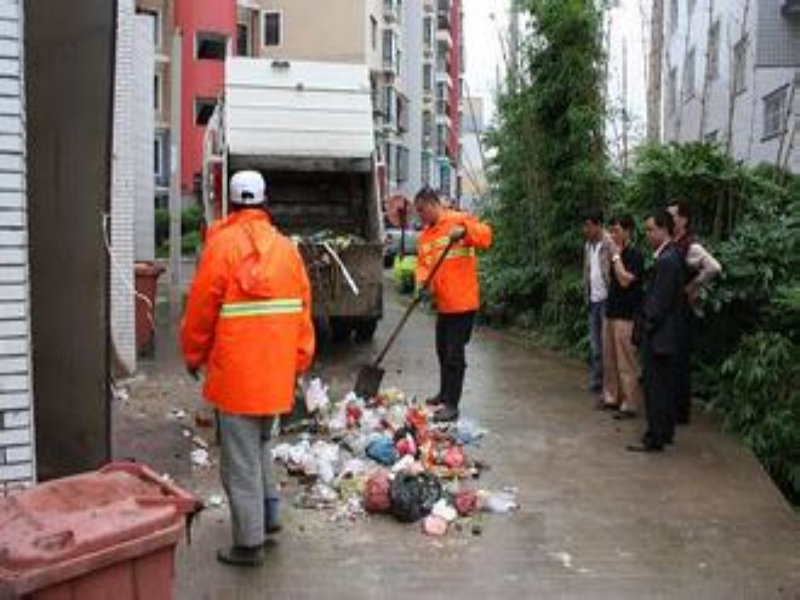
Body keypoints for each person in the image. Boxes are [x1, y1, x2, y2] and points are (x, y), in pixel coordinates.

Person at [181, 170, 315, 566]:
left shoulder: (220, 247)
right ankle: (269, 515)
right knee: (260, 446)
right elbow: (303, 313)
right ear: (264, 200)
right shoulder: (287, 250)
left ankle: (248, 543)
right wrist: (298, 364)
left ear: (231, 201)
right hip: (276, 377)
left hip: (237, 378)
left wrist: (193, 355)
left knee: (240, 460)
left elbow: (200, 313)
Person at [415, 187, 492, 423]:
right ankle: (444, 393)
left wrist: (466, 231)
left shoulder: (457, 220)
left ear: (432, 205)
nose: (419, 216)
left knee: (454, 355)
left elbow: (486, 236)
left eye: (420, 211)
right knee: (442, 350)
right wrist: (421, 284)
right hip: (444, 304)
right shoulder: (425, 236)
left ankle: (452, 405)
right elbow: (424, 265)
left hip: (463, 302)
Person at [628, 210, 686, 453]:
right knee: (662, 386)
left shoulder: (667, 260)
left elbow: (657, 304)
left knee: (655, 388)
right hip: (667, 335)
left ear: (665, 229)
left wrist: (644, 330)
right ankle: (663, 433)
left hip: (660, 336)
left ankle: (654, 437)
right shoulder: (671, 256)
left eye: (651, 229)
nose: (648, 234)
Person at [667, 201, 722, 424]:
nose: (668, 219)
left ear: (683, 220)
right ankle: (673, 406)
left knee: (680, 360)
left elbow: (715, 268)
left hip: (682, 311)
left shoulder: (692, 247)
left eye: (672, 215)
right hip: (670, 309)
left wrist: (693, 287)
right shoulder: (672, 243)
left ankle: (681, 412)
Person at [602, 215, 645, 419]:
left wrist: (617, 257)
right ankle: (612, 398)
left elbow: (625, 281)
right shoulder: (614, 253)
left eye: (617, 230)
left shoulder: (635, 254)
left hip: (627, 315)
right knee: (609, 358)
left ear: (628, 231)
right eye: (611, 231)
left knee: (626, 361)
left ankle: (629, 403)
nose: (613, 235)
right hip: (611, 311)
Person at [582, 210, 612, 405]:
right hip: (593, 300)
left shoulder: (609, 244)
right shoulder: (588, 245)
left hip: (607, 300)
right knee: (595, 345)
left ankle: (608, 386)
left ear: (599, 225)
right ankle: (597, 381)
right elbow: (587, 271)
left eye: (589, 225)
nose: (586, 229)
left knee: (607, 345)